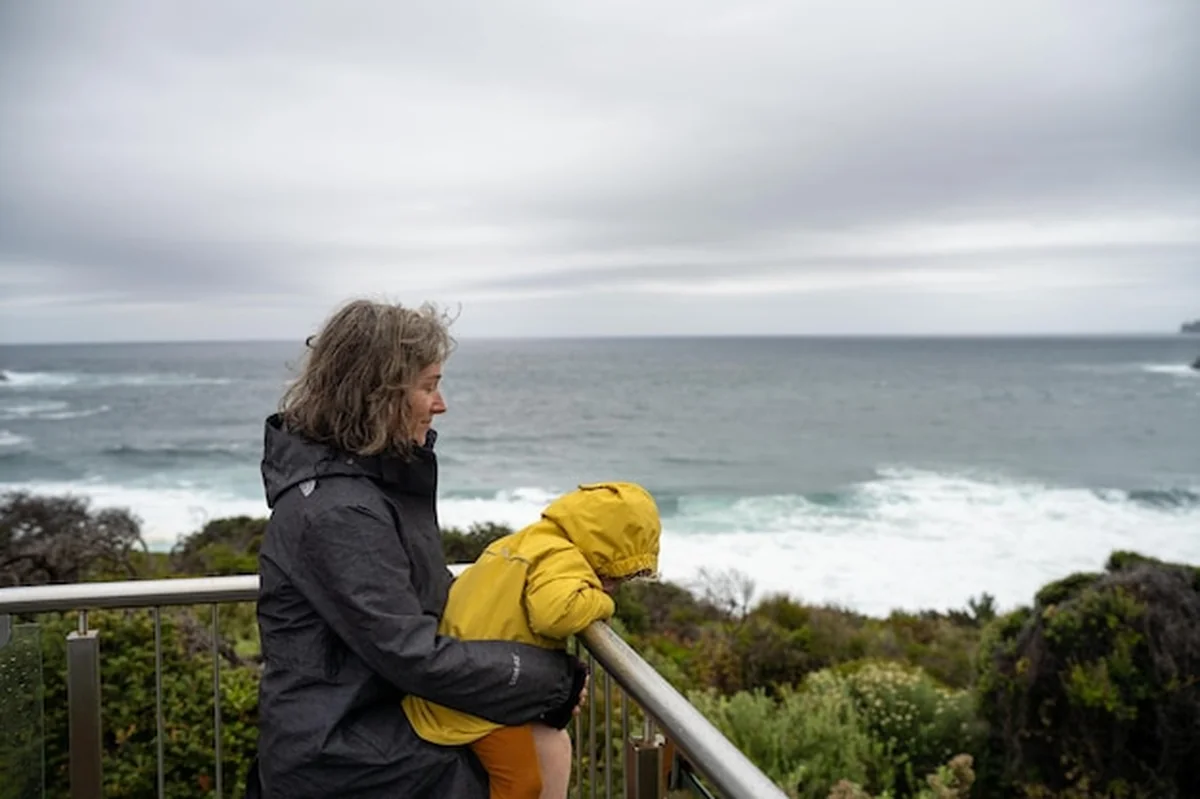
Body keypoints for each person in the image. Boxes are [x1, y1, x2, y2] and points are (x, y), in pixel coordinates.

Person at [250, 299, 589, 799]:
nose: (440, 404)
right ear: (377, 394)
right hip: (346, 758)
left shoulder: (369, 486)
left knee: (539, 748)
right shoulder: (340, 512)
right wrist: (549, 680)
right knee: (537, 752)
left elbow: (431, 607)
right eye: (429, 386)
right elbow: (409, 651)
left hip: (371, 729)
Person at [403, 482, 661, 799]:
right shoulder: (562, 558)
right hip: (483, 697)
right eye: (621, 577)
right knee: (522, 783)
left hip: (457, 675)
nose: (614, 585)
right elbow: (554, 614)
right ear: (609, 548)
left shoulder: (525, 541)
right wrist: (603, 603)